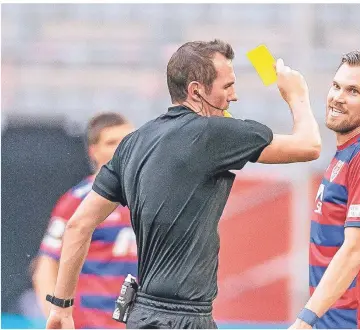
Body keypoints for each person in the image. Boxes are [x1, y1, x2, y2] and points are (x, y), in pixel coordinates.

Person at [44, 39, 322, 329]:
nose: (234, 96)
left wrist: (62, 308)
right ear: (196, 91)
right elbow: (310, 145)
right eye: (227, 86)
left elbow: (78, 225)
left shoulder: (133, 143)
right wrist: (296, 95)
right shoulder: (213, 134)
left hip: (143, 316)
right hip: (184, 319)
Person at [291, 51, 360, 329]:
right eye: (336, 86)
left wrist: (304, 321)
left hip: (358, 321)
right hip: (336, 321)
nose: (338, 97)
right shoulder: (349, 151)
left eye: (353, 91)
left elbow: (355, 249)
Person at [33, 112, 136, 329]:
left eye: (128, 141)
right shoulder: (77, 200)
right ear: (94, 151)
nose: (122, 149)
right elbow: (45, 266)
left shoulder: (151, 198)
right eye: (111, 142)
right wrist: (56, 315)